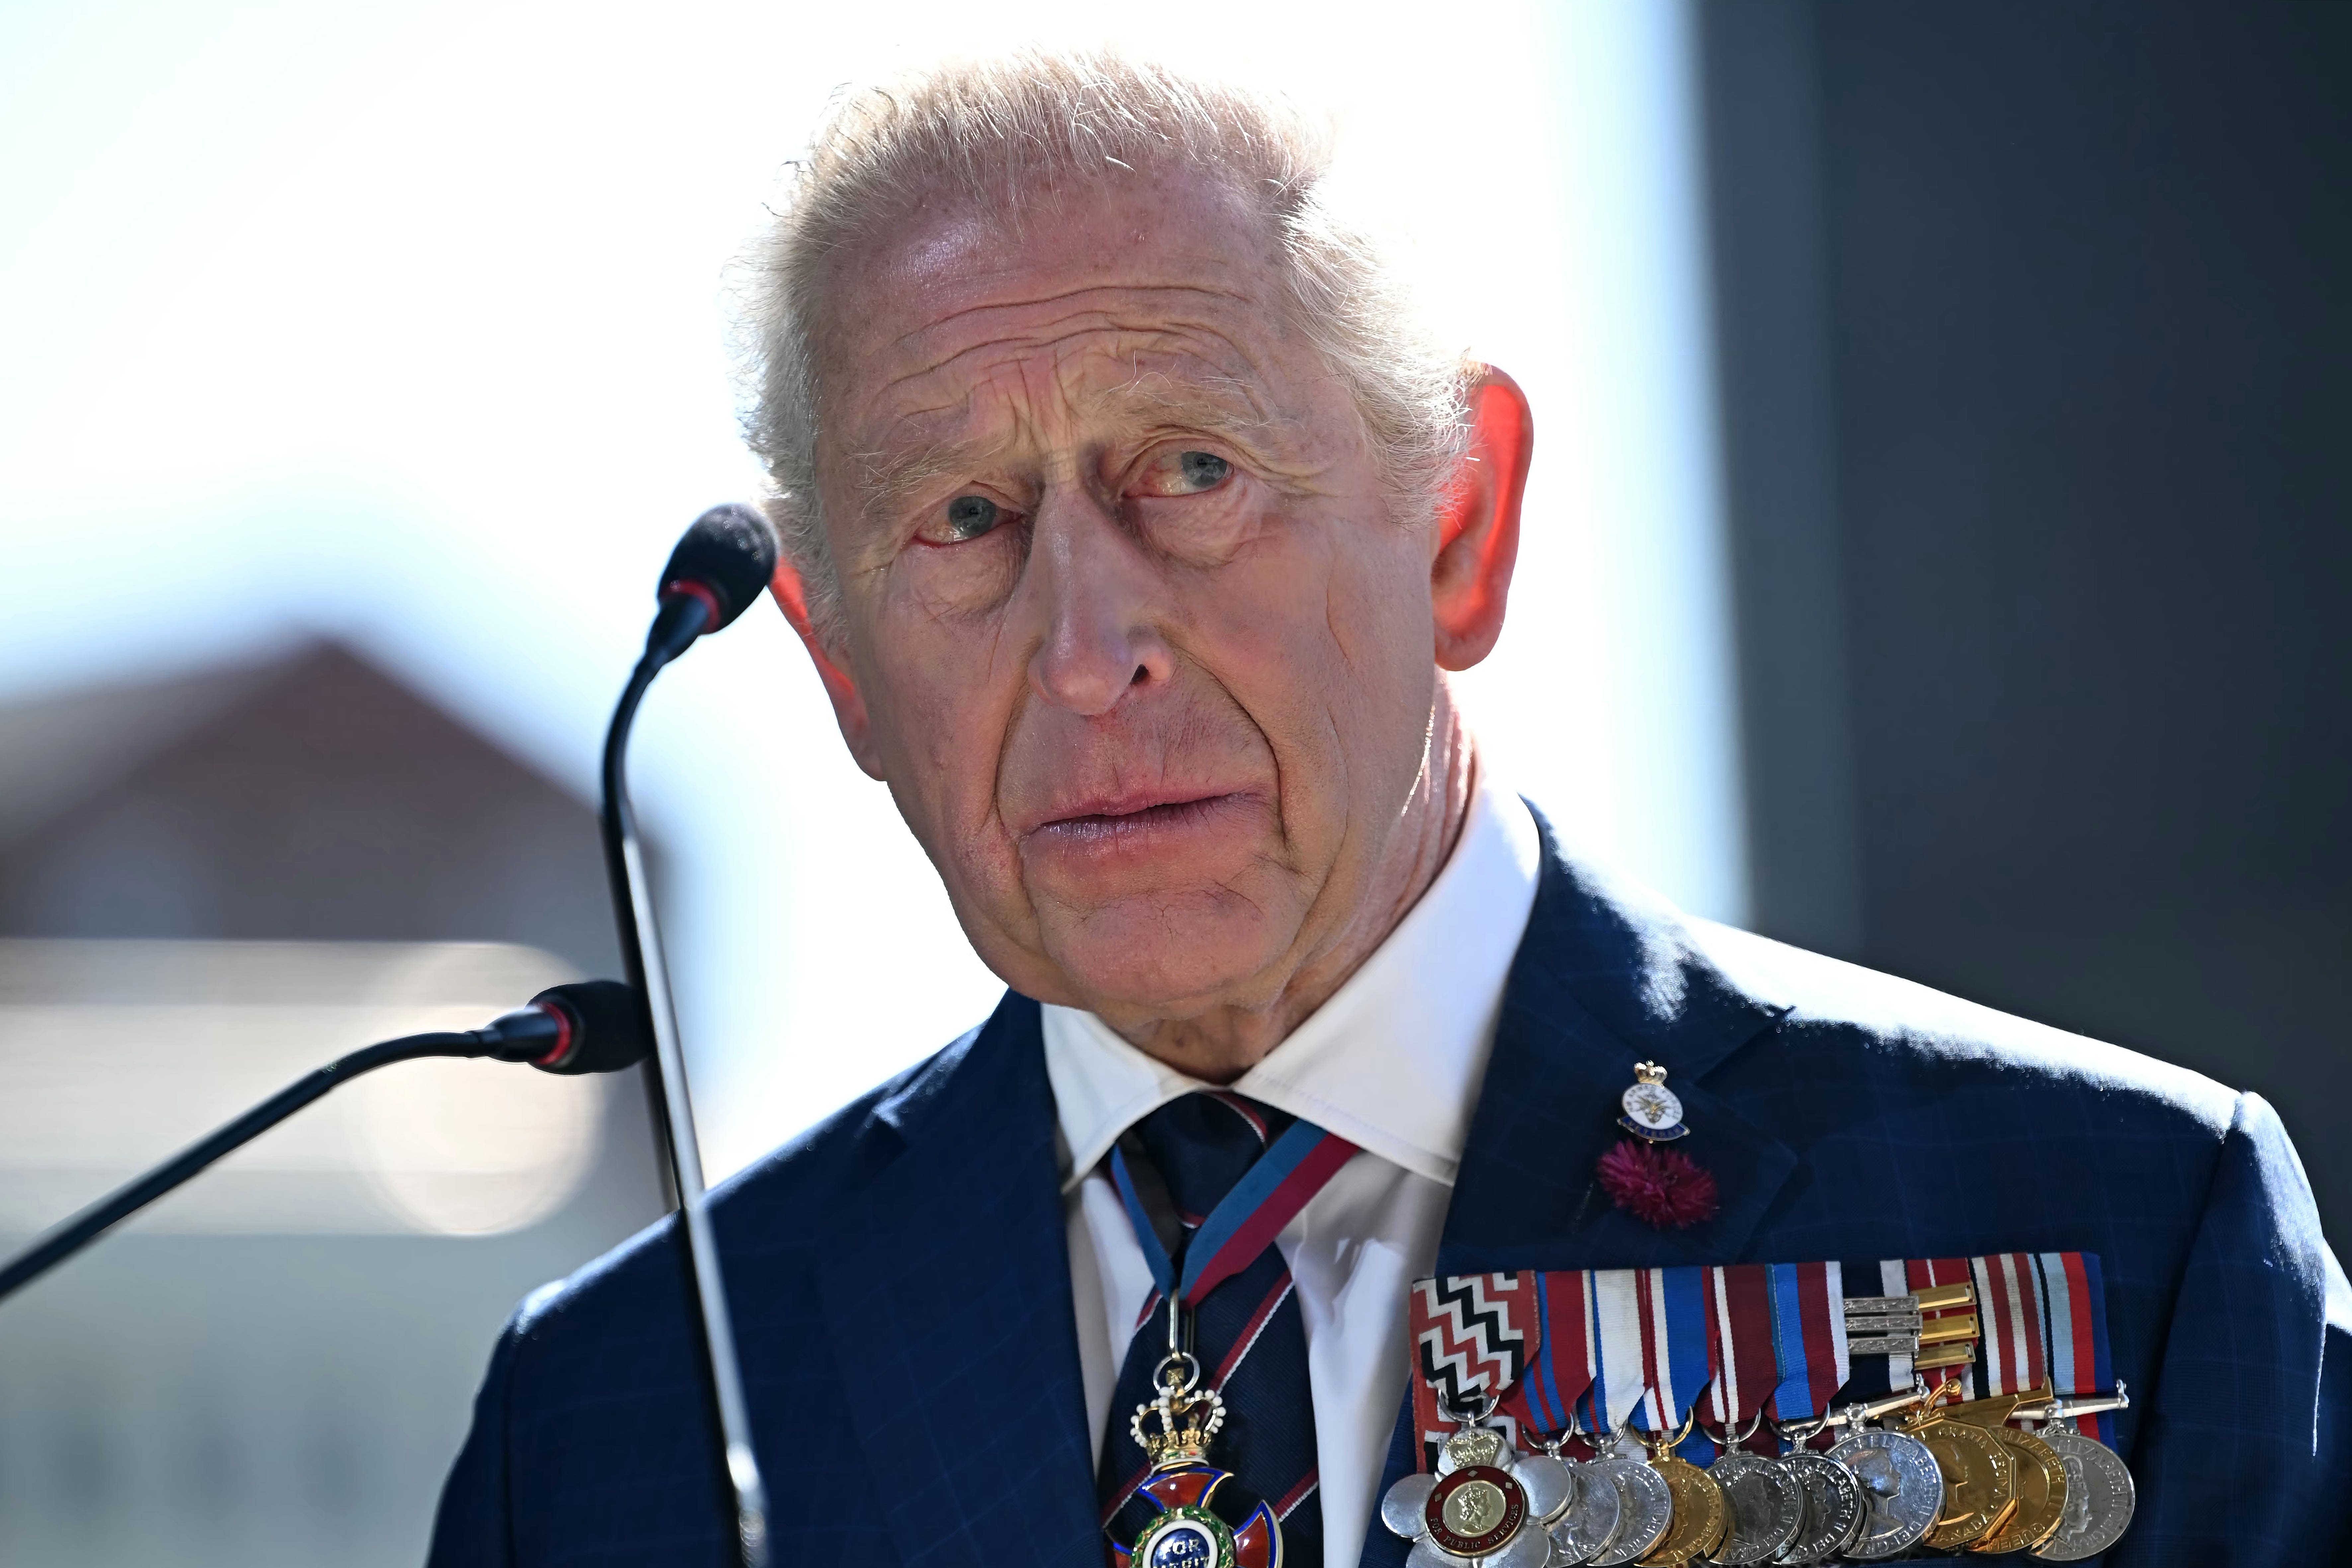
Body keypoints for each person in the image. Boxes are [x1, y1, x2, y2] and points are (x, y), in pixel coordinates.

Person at [426, 51, 2349, 1567]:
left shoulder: (2122, 1238)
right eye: (964, 520)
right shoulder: (610, 1433)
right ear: (842, 665)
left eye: (1190, 467)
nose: (1092, 646)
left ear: (1458, 523)